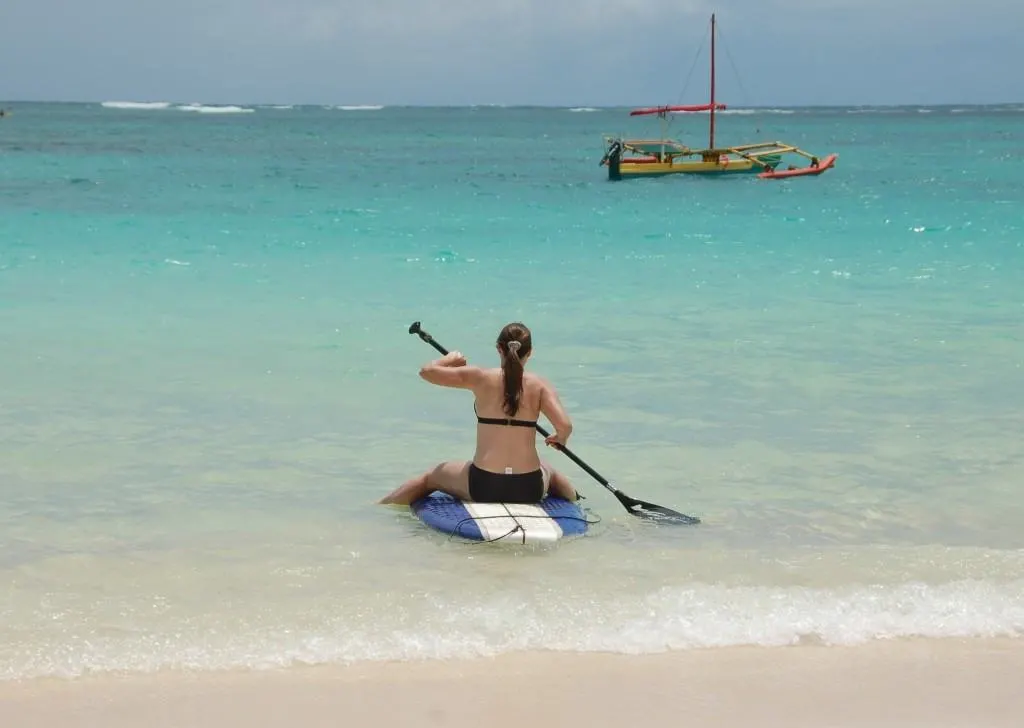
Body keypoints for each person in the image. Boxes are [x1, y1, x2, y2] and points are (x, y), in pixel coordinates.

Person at [379, 322, 578, 505]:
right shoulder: (540, 384)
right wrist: (560, 438)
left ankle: (380, 507)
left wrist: (449, 360)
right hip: (527, 489)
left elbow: (426, 371)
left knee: (431, 476)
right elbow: (565, 426)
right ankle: (577, 502)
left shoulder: (479, 377)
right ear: (530, 352)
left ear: (499, 348)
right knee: (548, 469)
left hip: (484, 485)